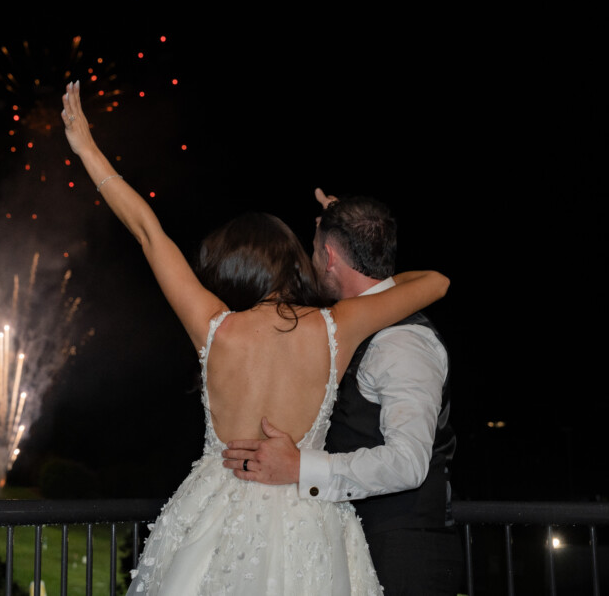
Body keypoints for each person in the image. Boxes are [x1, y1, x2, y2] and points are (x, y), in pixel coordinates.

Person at [60, 81, 449, 595]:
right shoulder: (340, 326)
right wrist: (343, 233)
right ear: (293, 259)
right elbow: (436, 283)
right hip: (306, 513)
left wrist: (88, 148)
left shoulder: (215, 326)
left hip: (214, 510)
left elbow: (147, 231)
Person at [221, 191, 463, 595]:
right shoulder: (355, 325)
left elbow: (408, 463)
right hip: (367, 548)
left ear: (331, 258)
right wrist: (341, 226)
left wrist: (301, 468)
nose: (309, 262)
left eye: (315, 251)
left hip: (404, 559)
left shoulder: (401, 342)